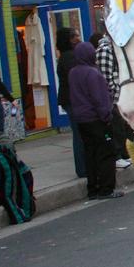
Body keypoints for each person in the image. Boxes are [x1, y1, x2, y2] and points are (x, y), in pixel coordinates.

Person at [68, 42, 123, 200]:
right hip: (96, 119)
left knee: (90, 153)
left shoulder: (73, 72)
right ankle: (106, 188)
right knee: (106, 153)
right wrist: (107, 116)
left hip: (81, 119)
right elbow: (100, 98)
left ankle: (93, 188)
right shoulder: (93, 74)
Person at [91, 32, 132, 170]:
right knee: (116, 128)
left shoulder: (117, 49)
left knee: (124, 127)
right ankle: (118, 156)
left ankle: (125, 154)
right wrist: (112, 97)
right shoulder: (105, 50)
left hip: (121, 96)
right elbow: (105, 78)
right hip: (114, 99)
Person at [55, 27, 85, 178]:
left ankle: (84, 167)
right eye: (76, 36)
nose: (79, 38)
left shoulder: (67, 56)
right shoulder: (69, 57)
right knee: (79, 134)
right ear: (69, 40)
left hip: (71, 99)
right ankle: (82, 168)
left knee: (79, 133)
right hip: (73, 100)